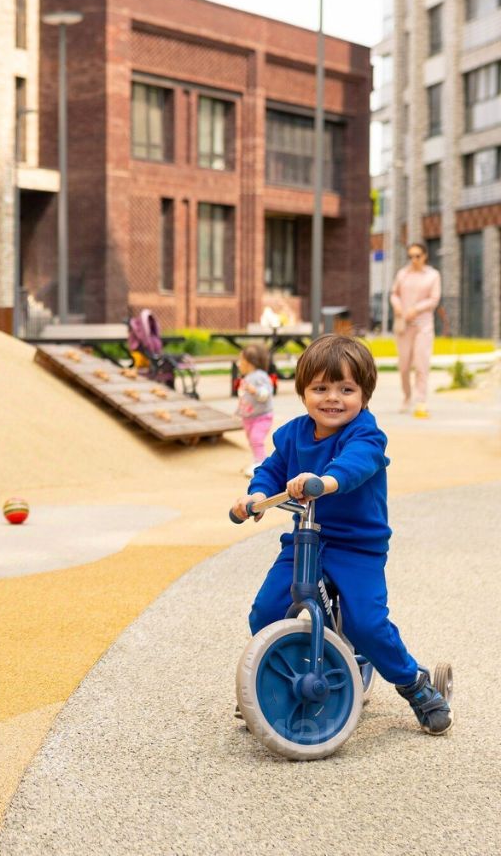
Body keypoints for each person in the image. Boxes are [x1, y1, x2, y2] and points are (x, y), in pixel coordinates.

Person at [229, 334, 452, 735]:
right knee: (266, 611)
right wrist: (256, 496)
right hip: (306, 542)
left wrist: (325, 481)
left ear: (364, 395)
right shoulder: (292, 435)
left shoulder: (365, 434)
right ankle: (274, 684)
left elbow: (356, 464)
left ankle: (413, 683)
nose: (332, 399)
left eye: (346, 390)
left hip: (357, 546)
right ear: (302, 392)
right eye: (320, 389)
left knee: (366, 625)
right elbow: (271, 470)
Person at [389, 243, 441, 418]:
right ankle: (407, 396)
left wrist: (416, 309)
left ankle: (421, 401)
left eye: (417, 256)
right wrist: (397, 306)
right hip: (404, 326)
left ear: (425, 256)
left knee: (421, 364)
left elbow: (434, 299)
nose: (414, 259)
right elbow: (394, 293)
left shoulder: (433, 275)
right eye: (411, 256)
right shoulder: (402, 274)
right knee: (404, 366)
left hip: (423, 326)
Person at [236, 343, 275, 478]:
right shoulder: (248, 377)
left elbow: (266, 393)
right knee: (253, 441)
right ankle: (256, 460)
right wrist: (238, 412)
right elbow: (244, 398)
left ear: (250, 362)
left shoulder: (259, 376)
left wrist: (256, 391)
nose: (238, 364)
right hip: (249, 417)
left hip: (262, 417)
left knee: (256, 439)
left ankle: (261, 465)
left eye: (241, 360)